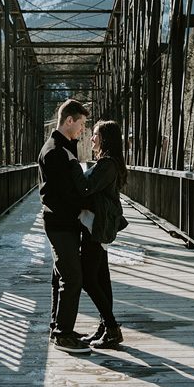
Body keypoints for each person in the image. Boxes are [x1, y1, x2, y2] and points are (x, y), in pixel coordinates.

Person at [38, 98, 91, 354]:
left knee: (60, 276)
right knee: (72, 278)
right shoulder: (55, 152)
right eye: (81, 124)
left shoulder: (62, 147)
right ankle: (63, 334)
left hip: (61, 223)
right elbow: (62, 194)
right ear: (69, 120)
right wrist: (86, 203)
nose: (82, 129)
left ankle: (58, 327)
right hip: (60, 223)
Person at [70, 120, 128, 348]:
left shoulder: (107, 165)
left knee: (87, 279)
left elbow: (85, 187)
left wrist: (74, 165)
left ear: (105, 138)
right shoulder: (109, 164)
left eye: (95, 135)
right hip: (99, 224)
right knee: (102, 278)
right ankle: (106, 328)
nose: (91, 138)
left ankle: (112, 327)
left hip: (97, 226)